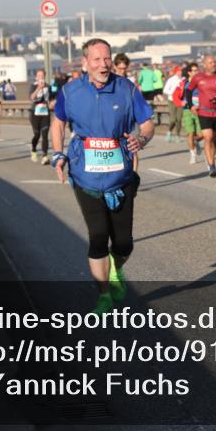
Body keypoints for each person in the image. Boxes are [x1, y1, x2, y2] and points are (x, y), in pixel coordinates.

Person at [50, 38, 154, 315]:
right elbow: (58, 121)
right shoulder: (70, 91)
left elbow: (147, 123)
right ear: (85, 63)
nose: (103, 64)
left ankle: (115, 268)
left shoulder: (127, 89)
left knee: (123, 243)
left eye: (107, 58)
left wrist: (141, 139)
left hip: (120, 177)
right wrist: (58, 153)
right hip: (85, 176)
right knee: (97, 236)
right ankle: (104, 295)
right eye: (96, 59)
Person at [186, 54, 216, 177]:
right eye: (211, 62)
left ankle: (210, 157)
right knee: (208, 137)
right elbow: (188, 91)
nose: (214, 64)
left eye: (214, 62)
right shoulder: (198, 77)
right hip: (204, 112)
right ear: (205, 65)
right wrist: (191, 105)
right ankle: (212, 165)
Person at [175, 63, 204, 164]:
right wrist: (180, 102)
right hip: (187, 110)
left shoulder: (201, 82)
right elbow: (175, 95)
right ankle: (193, 155)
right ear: (189, 73)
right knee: (190, 133)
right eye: (194, 70)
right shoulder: (184, 83)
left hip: (199, 110)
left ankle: (196, 141)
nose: (197, 72)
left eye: (197, 70)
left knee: (202, 134)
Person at [29, 69, 52, 163]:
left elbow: (52, 98)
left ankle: (45, 156)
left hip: (45, 113)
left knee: (45, 135)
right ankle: (33, 149)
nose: (40, 77)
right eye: (39, 75)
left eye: (42, 75)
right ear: (36, 77)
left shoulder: (48, 87)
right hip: (35, 114)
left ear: (44, 76)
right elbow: (32, 97)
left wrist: (52, 103)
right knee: (37, 134)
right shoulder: (33, 86)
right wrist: (39, 88)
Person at [162, 66, 184, 142]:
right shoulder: (171, 80)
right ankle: (169, 132)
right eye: (178, 71)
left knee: (179, 119)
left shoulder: (183, 79)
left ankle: (178, 135)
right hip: (172, 101)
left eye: (181, 71)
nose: (180, 72)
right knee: (173, 119)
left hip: (180, 101)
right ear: (175, 72)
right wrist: (173, 93)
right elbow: (165, 90)